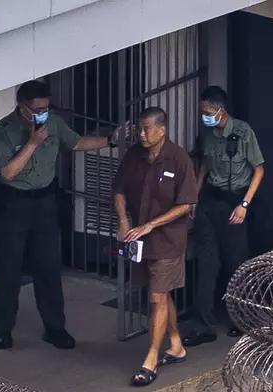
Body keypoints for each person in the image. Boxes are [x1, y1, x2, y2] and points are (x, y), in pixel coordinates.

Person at [0, 80, 127, 350]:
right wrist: (32, 142)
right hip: (15, 203)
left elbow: (75, 142)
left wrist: (110, 140)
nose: (42, 113)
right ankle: (2, 328)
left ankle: (54, 327)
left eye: (46, 107)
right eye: (37, 109)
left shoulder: (54, 122)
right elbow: (7, 174)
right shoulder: (4, 131)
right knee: (8, 268)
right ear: (23, 107)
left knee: (49, 266)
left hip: (44, 201)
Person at [113, 107, 198, 387]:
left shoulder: (179, 159)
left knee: (157, 297)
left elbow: (186, 203)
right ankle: (176, 345)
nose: (141, 134)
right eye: (140, 128)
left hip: (169, 240)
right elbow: (120, 189)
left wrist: (152, 224)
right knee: (160, 294)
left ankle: (150, 359)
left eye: (146, 129)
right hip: (139, 239)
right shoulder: (134, 155)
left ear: (162, 130)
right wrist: (124, 221)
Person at [182, 86, 265, 347]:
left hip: (234, 202)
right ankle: (204, 325)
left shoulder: (243, 132)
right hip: (210, 200)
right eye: (202, 112)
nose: (204, 116)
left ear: (221, 110)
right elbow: (205, 164)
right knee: (207, 265)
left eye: (208, 112)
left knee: (236, 265)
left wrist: (244, 205)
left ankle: (240, 321)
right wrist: (194, 195)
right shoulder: (208, 133)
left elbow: (259, 170)